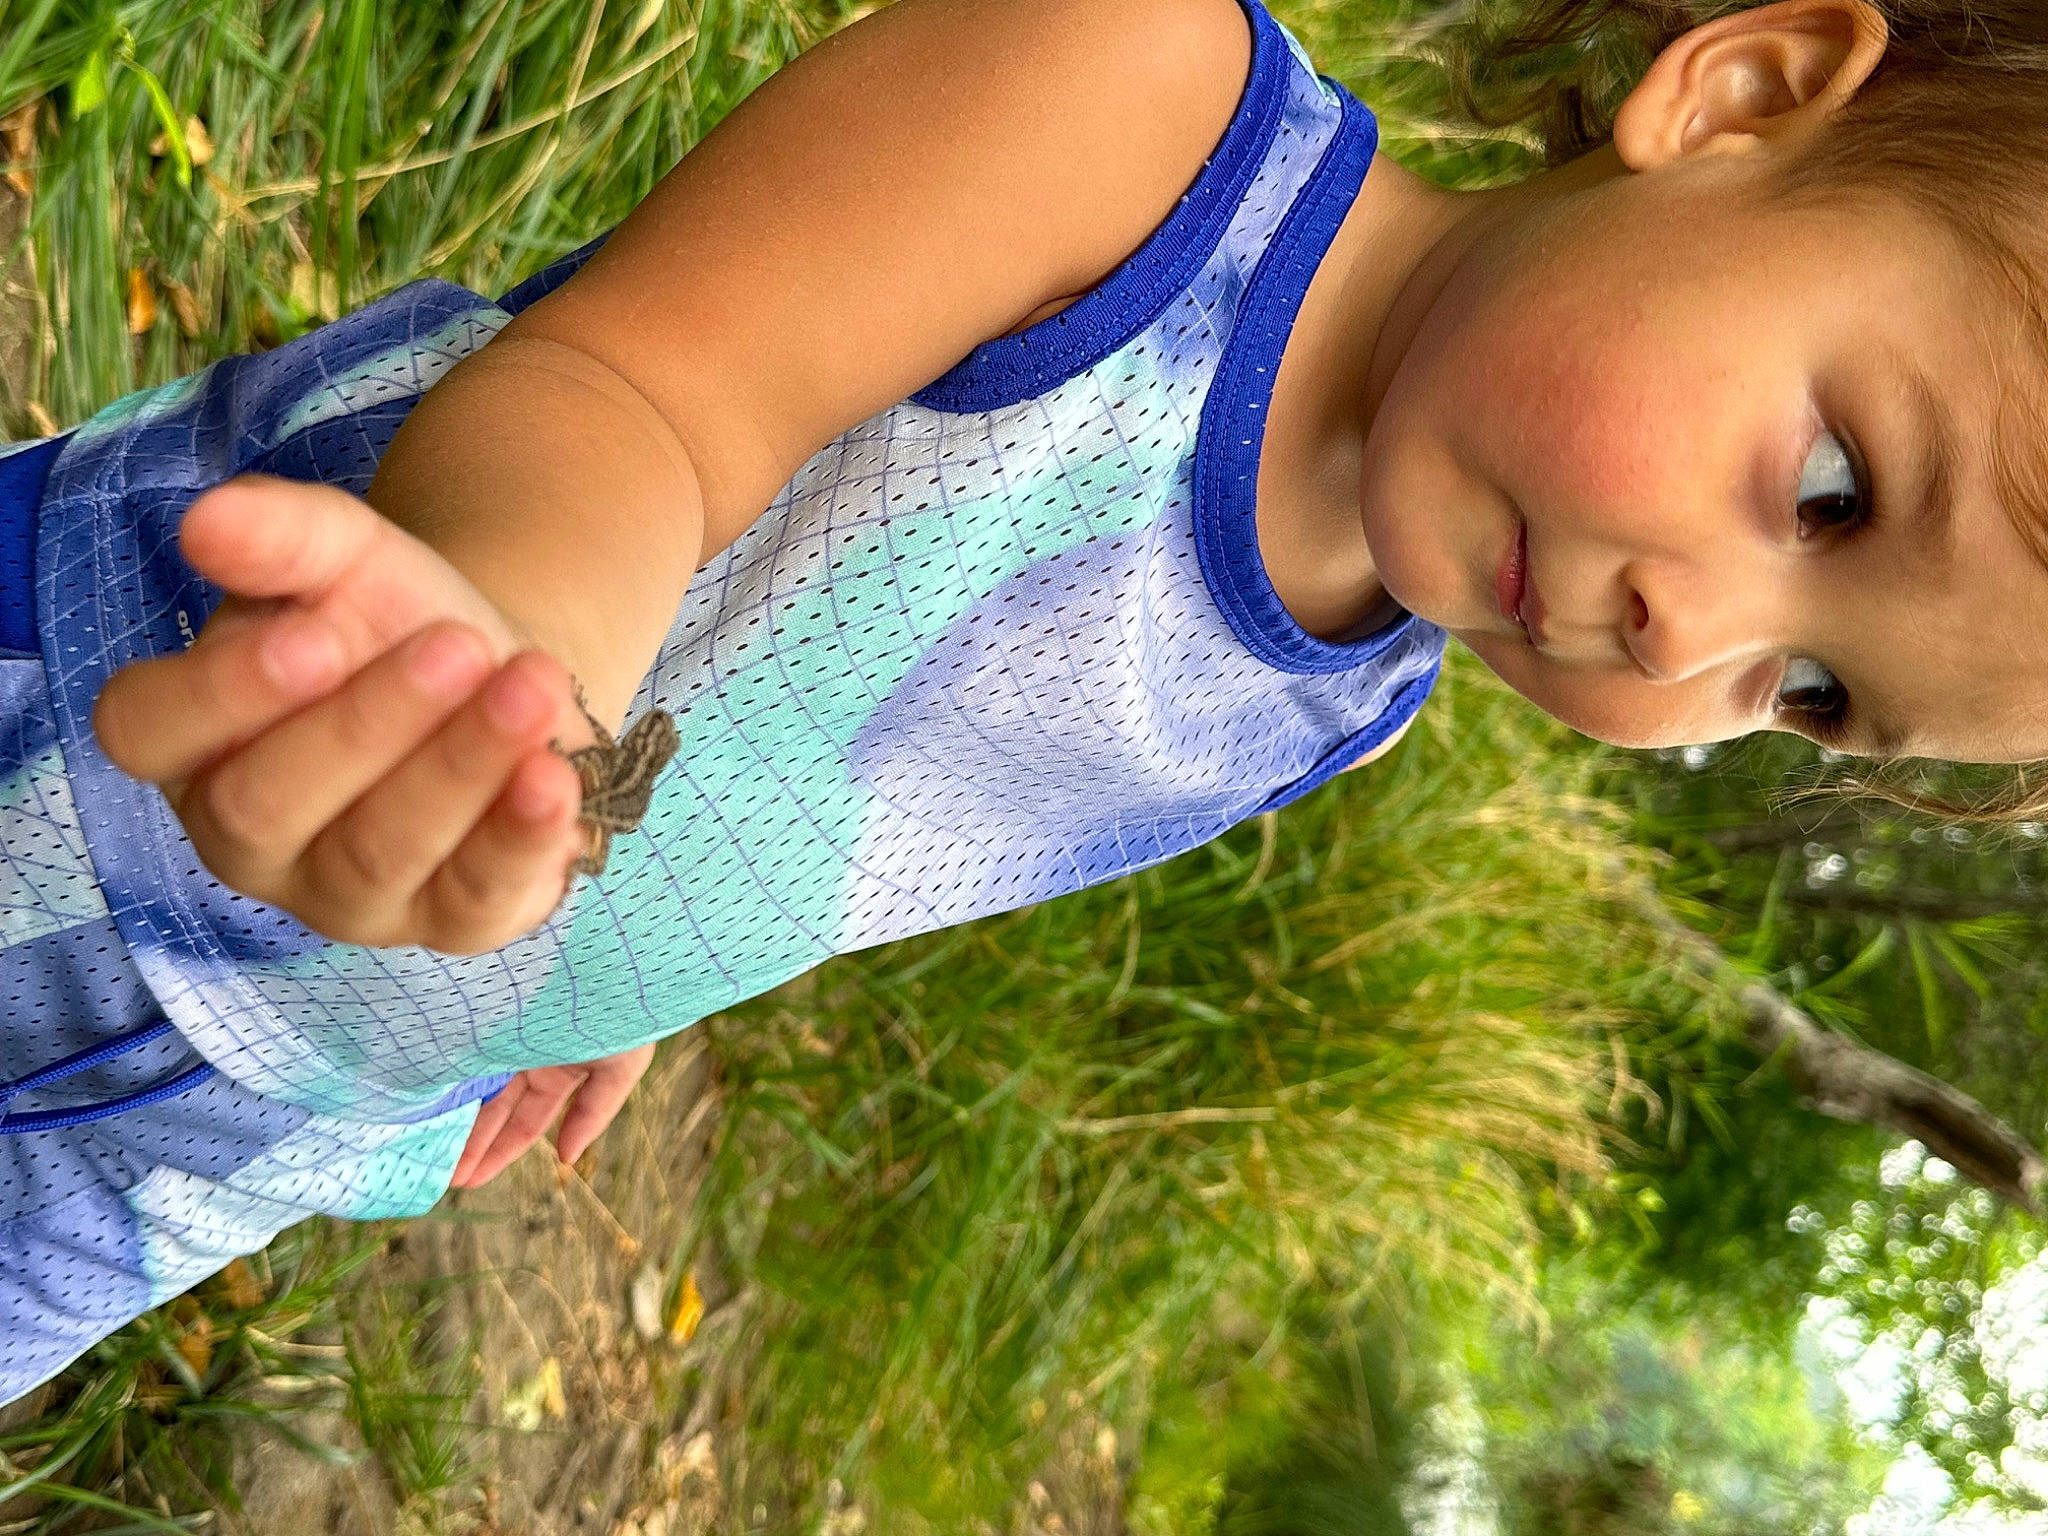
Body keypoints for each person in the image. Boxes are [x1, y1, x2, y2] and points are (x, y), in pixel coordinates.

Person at [4, 0, 2042, 1403]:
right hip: (124, 729)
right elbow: (644, 400)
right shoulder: (1138, 116)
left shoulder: (1345, 693)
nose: (1681, 640)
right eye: (1831, 491)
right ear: (1752, 96)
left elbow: (854, 772)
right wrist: (499, 669)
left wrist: (613, 960)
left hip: (240, 1122)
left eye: (1805, 692)